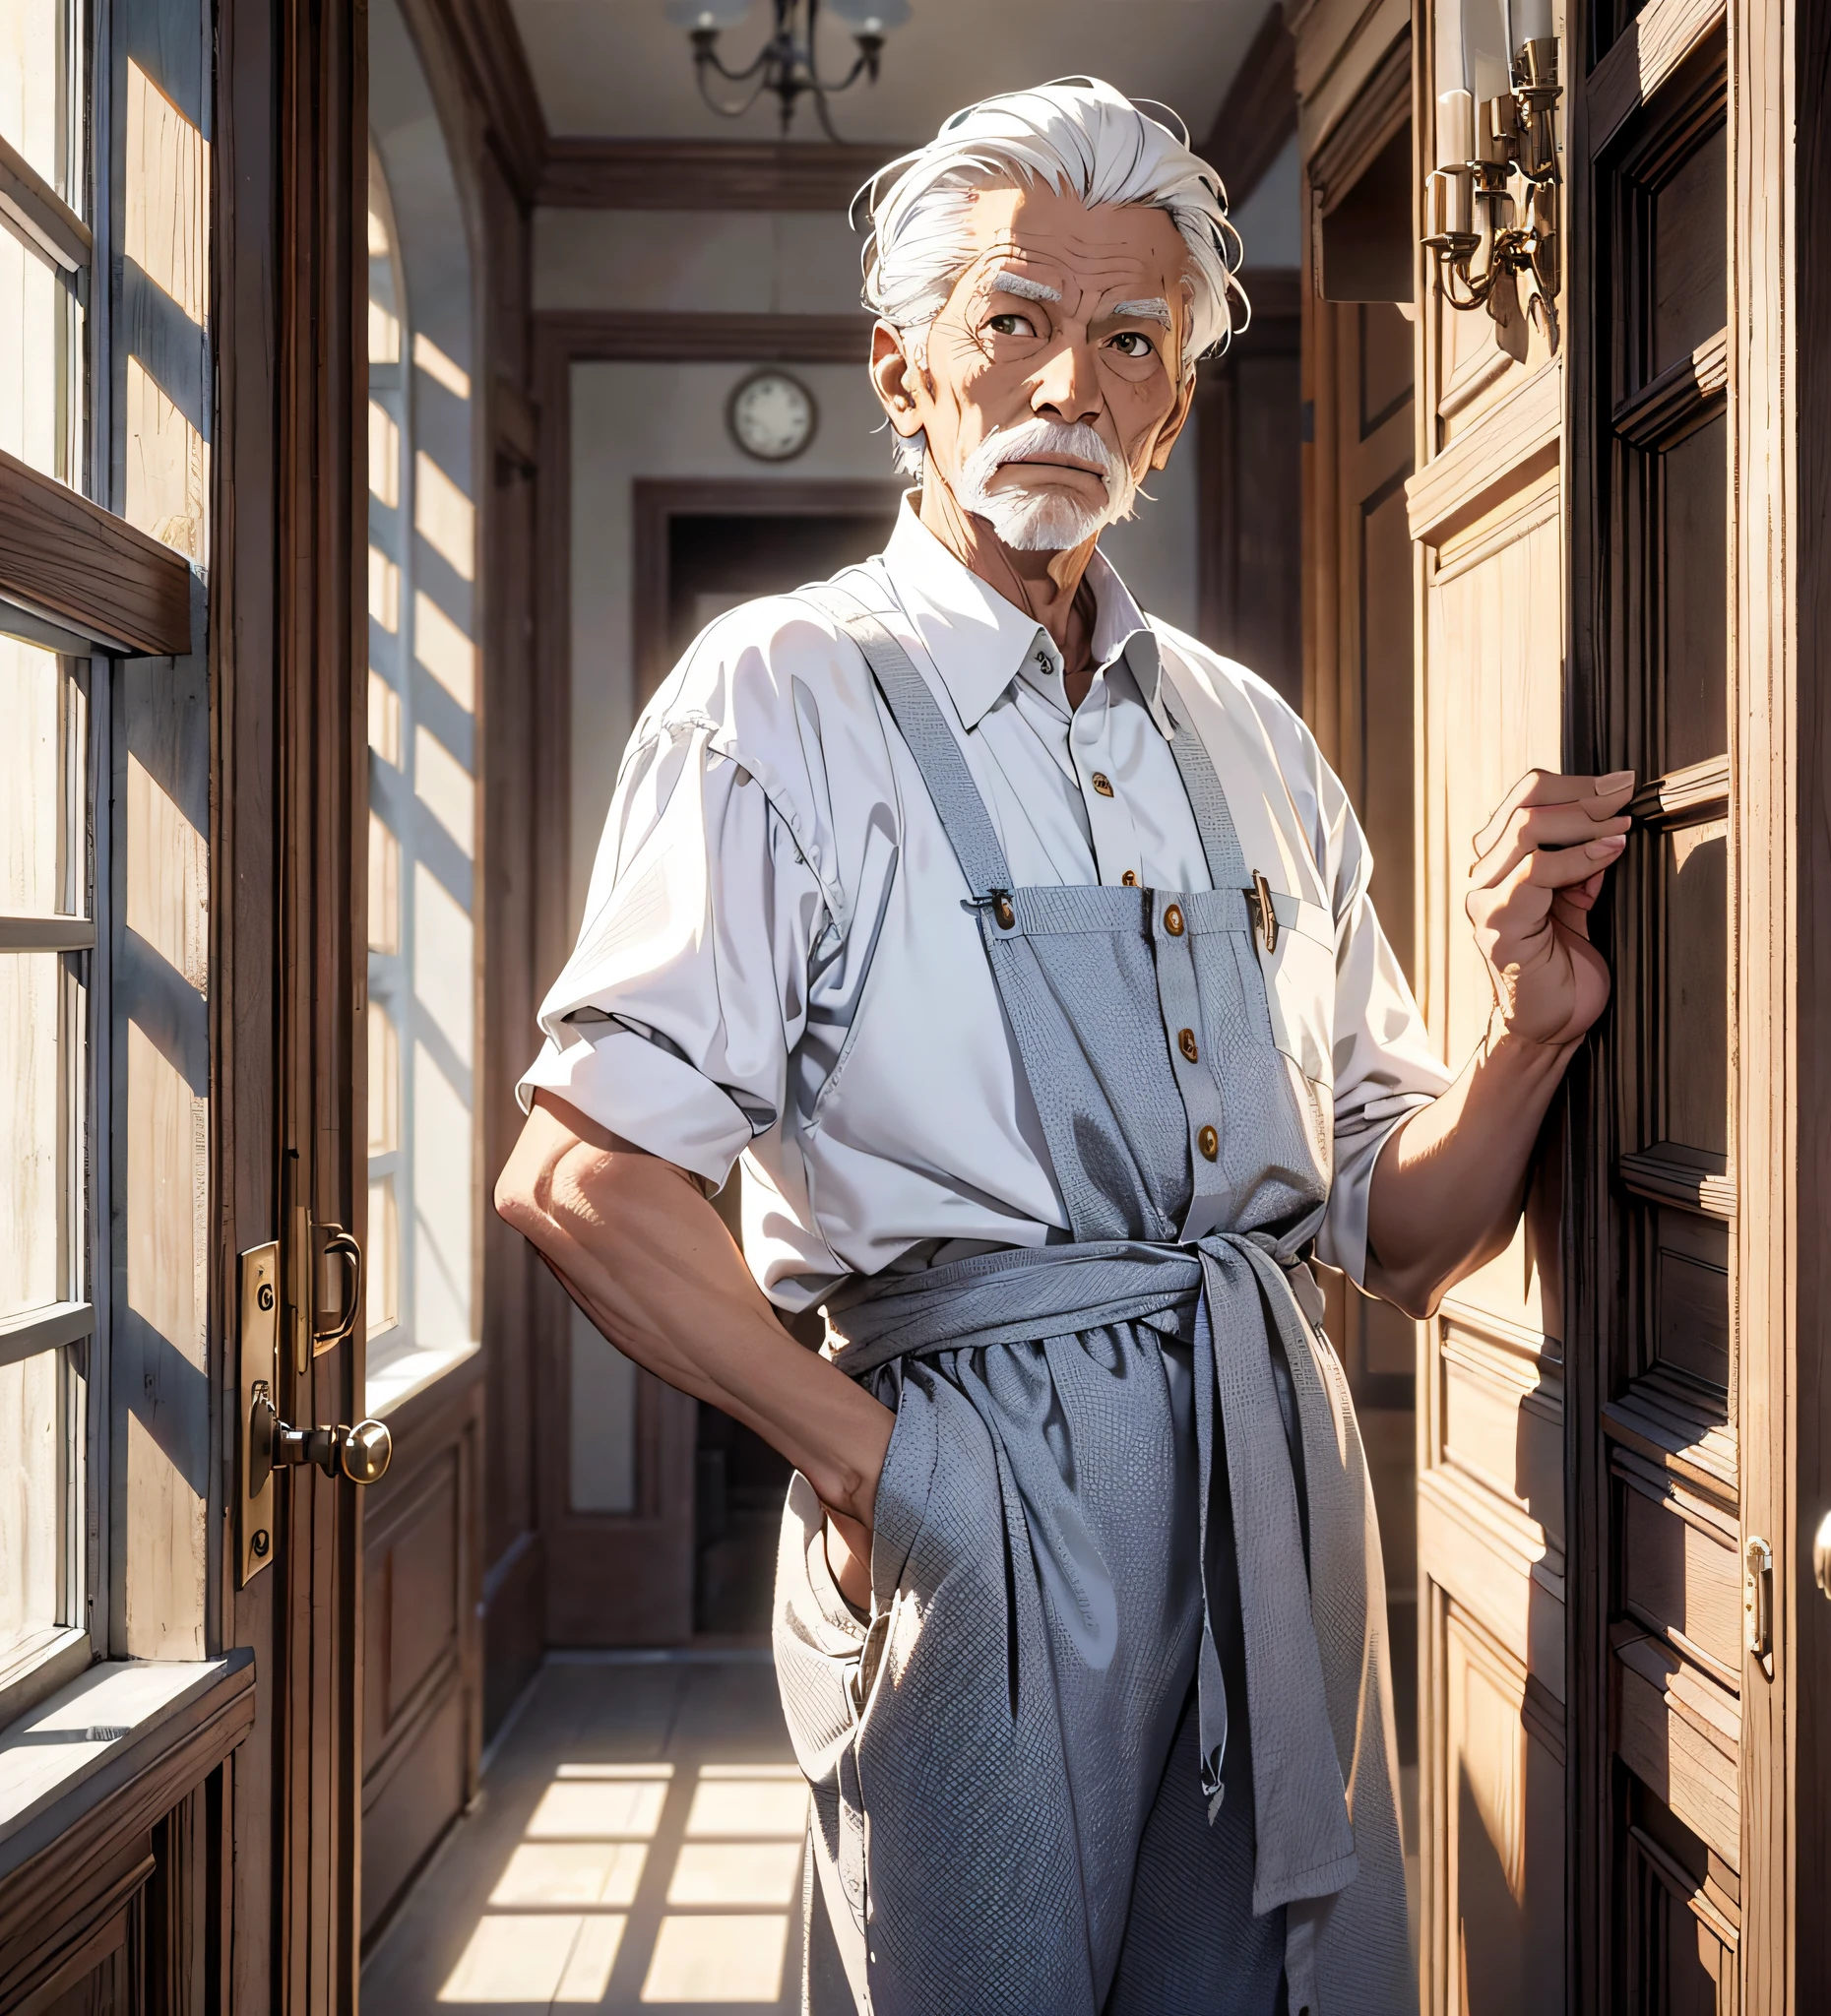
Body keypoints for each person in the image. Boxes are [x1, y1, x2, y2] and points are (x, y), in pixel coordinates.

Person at [495, 77, 1630, 2016]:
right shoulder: (784, 692)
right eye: (1011, 321)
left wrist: (1531, 1033)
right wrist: (882, 1478)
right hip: (975, 1486)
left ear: (1170, 411)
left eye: (1128, 342)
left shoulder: (1254, 738)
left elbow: (1400, 1227)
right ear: (903, 368)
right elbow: (579, 1175)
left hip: (1265, 1477)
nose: (1067, 383)